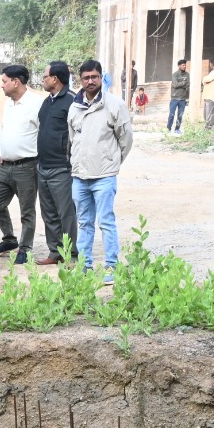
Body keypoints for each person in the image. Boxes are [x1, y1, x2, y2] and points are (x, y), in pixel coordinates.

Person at [67, 58, 133, 282]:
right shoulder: (74, 107)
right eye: (86, 78)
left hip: (103, 176)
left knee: (106, 222)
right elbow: (73, 139)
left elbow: (126, 139)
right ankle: (84, 266)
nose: (90, 81)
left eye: (94, 77)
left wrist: (112, 161)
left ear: (100, 77)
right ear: (80, 80)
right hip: (80, 177)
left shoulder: (114, 105)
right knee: (84, 223)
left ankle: (111, 267)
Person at [0, 64, 40, 264]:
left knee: (27, 211)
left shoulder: (36, 104)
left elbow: (43, 135)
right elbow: (5, 131)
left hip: (26, 167)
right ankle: (9, 239)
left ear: (16, 82)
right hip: (4, 167)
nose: (2, 85)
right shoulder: (8, 104)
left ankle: (25, 249)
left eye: (4, 81)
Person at [34, 61, 77, 266]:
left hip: (62, 167)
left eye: (45, 76)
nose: (43, 80)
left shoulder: (72, 101)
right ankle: (55, 252)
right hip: (43, 166)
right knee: (48, 213)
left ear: (55, 79)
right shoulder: (47, 102)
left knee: (66, 214)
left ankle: (71, 255)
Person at [168, 58, 190, 133]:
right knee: (171, 115)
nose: (184, 66)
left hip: (182, 98)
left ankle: (177, 129)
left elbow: (188, 85)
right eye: (183, 65)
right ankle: (168, 128)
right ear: (179, 66)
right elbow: (175, 85)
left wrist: (181, 84)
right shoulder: (175, 74)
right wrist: (183, 83)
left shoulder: (187, 75)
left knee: (180, 115)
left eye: (185, 65)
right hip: (175, 98)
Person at [202, 59, 214, 128]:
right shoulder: (213, 72)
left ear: (212, 64)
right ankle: (207, 125)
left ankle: (209, 126)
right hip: (207, 94)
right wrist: (205, 80)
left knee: (209, 112)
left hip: (211, 94)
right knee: (206, 112)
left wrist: (204, 79)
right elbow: (205, 80)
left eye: (210, 63)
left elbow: (207, 79)